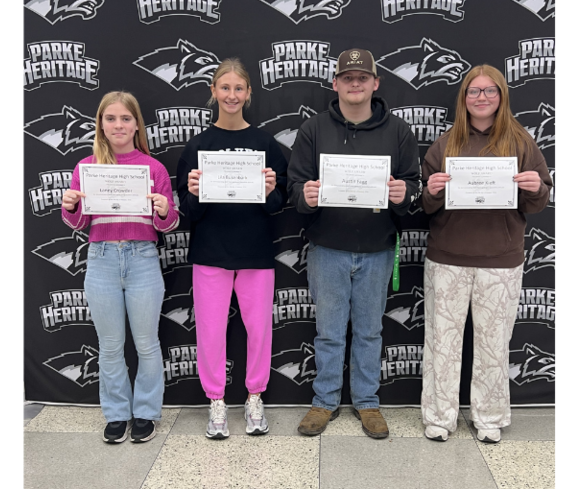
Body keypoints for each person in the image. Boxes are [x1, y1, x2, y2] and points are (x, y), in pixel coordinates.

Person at [287, 48, 421, 439]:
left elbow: (413, 184)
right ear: (336, 84)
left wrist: (403, 193)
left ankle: (367, 402)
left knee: (369, 331)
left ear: (376, 83)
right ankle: (324, 401)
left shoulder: (398, 131)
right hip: (327, 248)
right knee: (328, 331)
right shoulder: (314, 129)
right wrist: (306, 196)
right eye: (348, 77)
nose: (356, 83)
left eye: (363, 77)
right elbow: (294, 185)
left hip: (378, 250)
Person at [419, 64, 552, 444]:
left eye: (490, 91)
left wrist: (535, 187)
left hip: (501, 261)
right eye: (474, 91)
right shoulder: (445, 144)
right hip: (447, 259)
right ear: (464, 98)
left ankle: (489, 416)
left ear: (501, 96)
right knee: (442, 343)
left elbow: (540, 200)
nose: (482, 98)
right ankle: (440, 416)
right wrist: (432, 190)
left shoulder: (522, 142)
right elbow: (426, 207)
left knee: (494, 345)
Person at [176, 58, 289, 439]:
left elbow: (278, 205)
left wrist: (273, 189)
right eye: (224, 88)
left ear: (248, 94)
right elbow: (187, 211)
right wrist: (193, 193)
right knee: (209, 331)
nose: (231, 95)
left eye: (238, 88)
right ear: (213, 92)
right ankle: (216, 401)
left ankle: (254, 396)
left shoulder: (264, 144)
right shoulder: (198, 146)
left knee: (259, 330)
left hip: (255, 251)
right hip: (211, 252)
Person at [60, 91, 180, 444]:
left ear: (136, 124)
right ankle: (116, 414)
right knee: (110, 345)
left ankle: (145, 412)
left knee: (146, 343)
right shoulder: (86, 168)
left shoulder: (153, 168)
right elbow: (80, 222)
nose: (118, 125)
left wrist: (162, 208)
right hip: (101, 260)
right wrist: (69, 206)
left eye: (126, 118)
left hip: (143, 259)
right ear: (100, 124)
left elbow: (168, 224)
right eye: (110, 118)